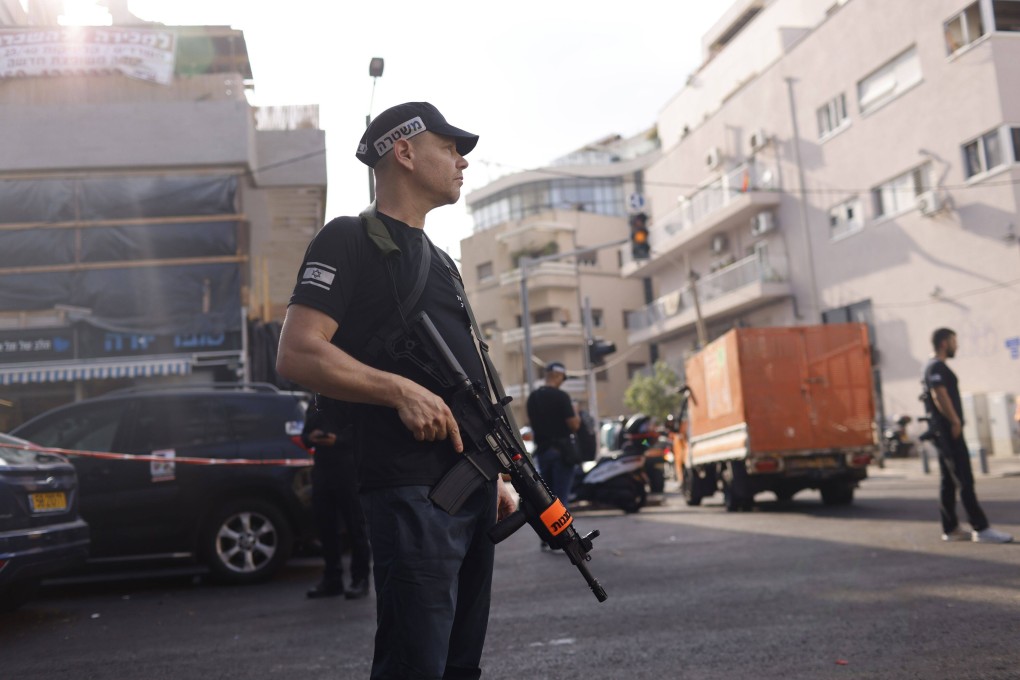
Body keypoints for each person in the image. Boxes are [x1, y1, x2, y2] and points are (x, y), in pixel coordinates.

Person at [276, 101, 516, 680]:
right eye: (449, 147)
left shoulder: (442, 263)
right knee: (416, 666)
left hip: (472, 483)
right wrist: (399, 391)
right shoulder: (348, 239)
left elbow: (475, 374)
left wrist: (502, 465)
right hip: (410, 490)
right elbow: (298, 351)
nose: (462, 161)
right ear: (403, 152)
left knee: (459, 666)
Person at [923, 328, 1013, 544]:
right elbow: (939, 394)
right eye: (954, 341)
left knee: (948, 481)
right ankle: (981, 528)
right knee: (965, 479)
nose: (957, 345)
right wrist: (954, 420)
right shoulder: (936, 367)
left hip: (941, 431)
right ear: (944, 343)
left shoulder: (931, 366)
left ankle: (951, 528)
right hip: (947, 431)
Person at [301, 402, 371, 600]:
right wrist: (311, 438)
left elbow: (361, 435)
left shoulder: (349, 401)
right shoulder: (315, 404)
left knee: (355, 528)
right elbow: (304, 436)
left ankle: (361, 579)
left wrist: (337, 440)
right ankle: (332, 579)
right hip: (322, 473)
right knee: (325, 529)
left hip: (349, 472)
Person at [526, 361, 580, 509]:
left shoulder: (533, 397)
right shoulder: (562, 396)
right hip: (562, 453)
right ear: (558, 375)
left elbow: (532, 424)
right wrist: (575, 410)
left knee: (547, 502)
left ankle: (549, 531)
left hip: (543, 452)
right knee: (561, 502)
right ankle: (561, 532)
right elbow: (574, 425)